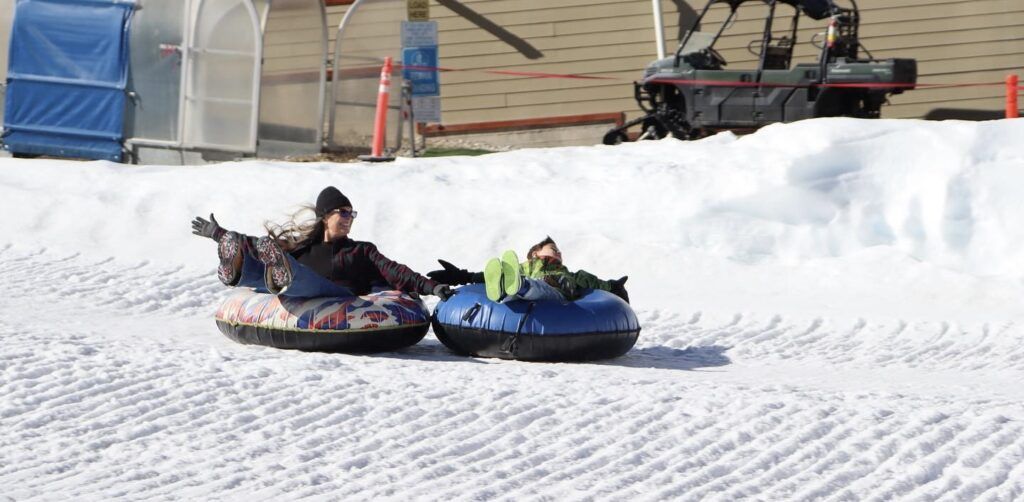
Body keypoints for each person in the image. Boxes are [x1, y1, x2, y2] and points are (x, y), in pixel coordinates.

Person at [191, 186, 453, 300]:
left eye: (352, 214)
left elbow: (395, 271)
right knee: (266, 260)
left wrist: (433, 287)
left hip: (336, 296)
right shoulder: (303, 246)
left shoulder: (361, 251)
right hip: (294, 289)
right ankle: (235, 268)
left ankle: (284, 275)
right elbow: (257, 245)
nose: (350, 219)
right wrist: (221, 234)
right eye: (344, 212)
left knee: (300, 276)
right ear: (326, 216)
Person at [427, 236, 629, 303]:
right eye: (553, 249)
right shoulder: (523, 267)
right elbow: (482, 276)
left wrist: (613, 286)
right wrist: (463, 276)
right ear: (534, 253)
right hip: (525, 296)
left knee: (537, 286)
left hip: (555, 294)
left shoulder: (567, 273)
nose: (558, 253)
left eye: (559, 251)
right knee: (514, 284)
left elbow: (593, 283)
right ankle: (505, 288)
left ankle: (518, 286)